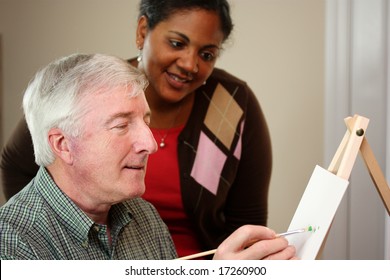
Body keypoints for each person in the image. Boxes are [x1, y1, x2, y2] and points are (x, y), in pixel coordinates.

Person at [0, 0, 272, 257]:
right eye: (177, 43)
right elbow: (19, 164)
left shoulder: (146, 219)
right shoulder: (85, 90)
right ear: (143, 31)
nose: (190, 64)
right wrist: (57, 225)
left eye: (207, 54)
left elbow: (246, 217)